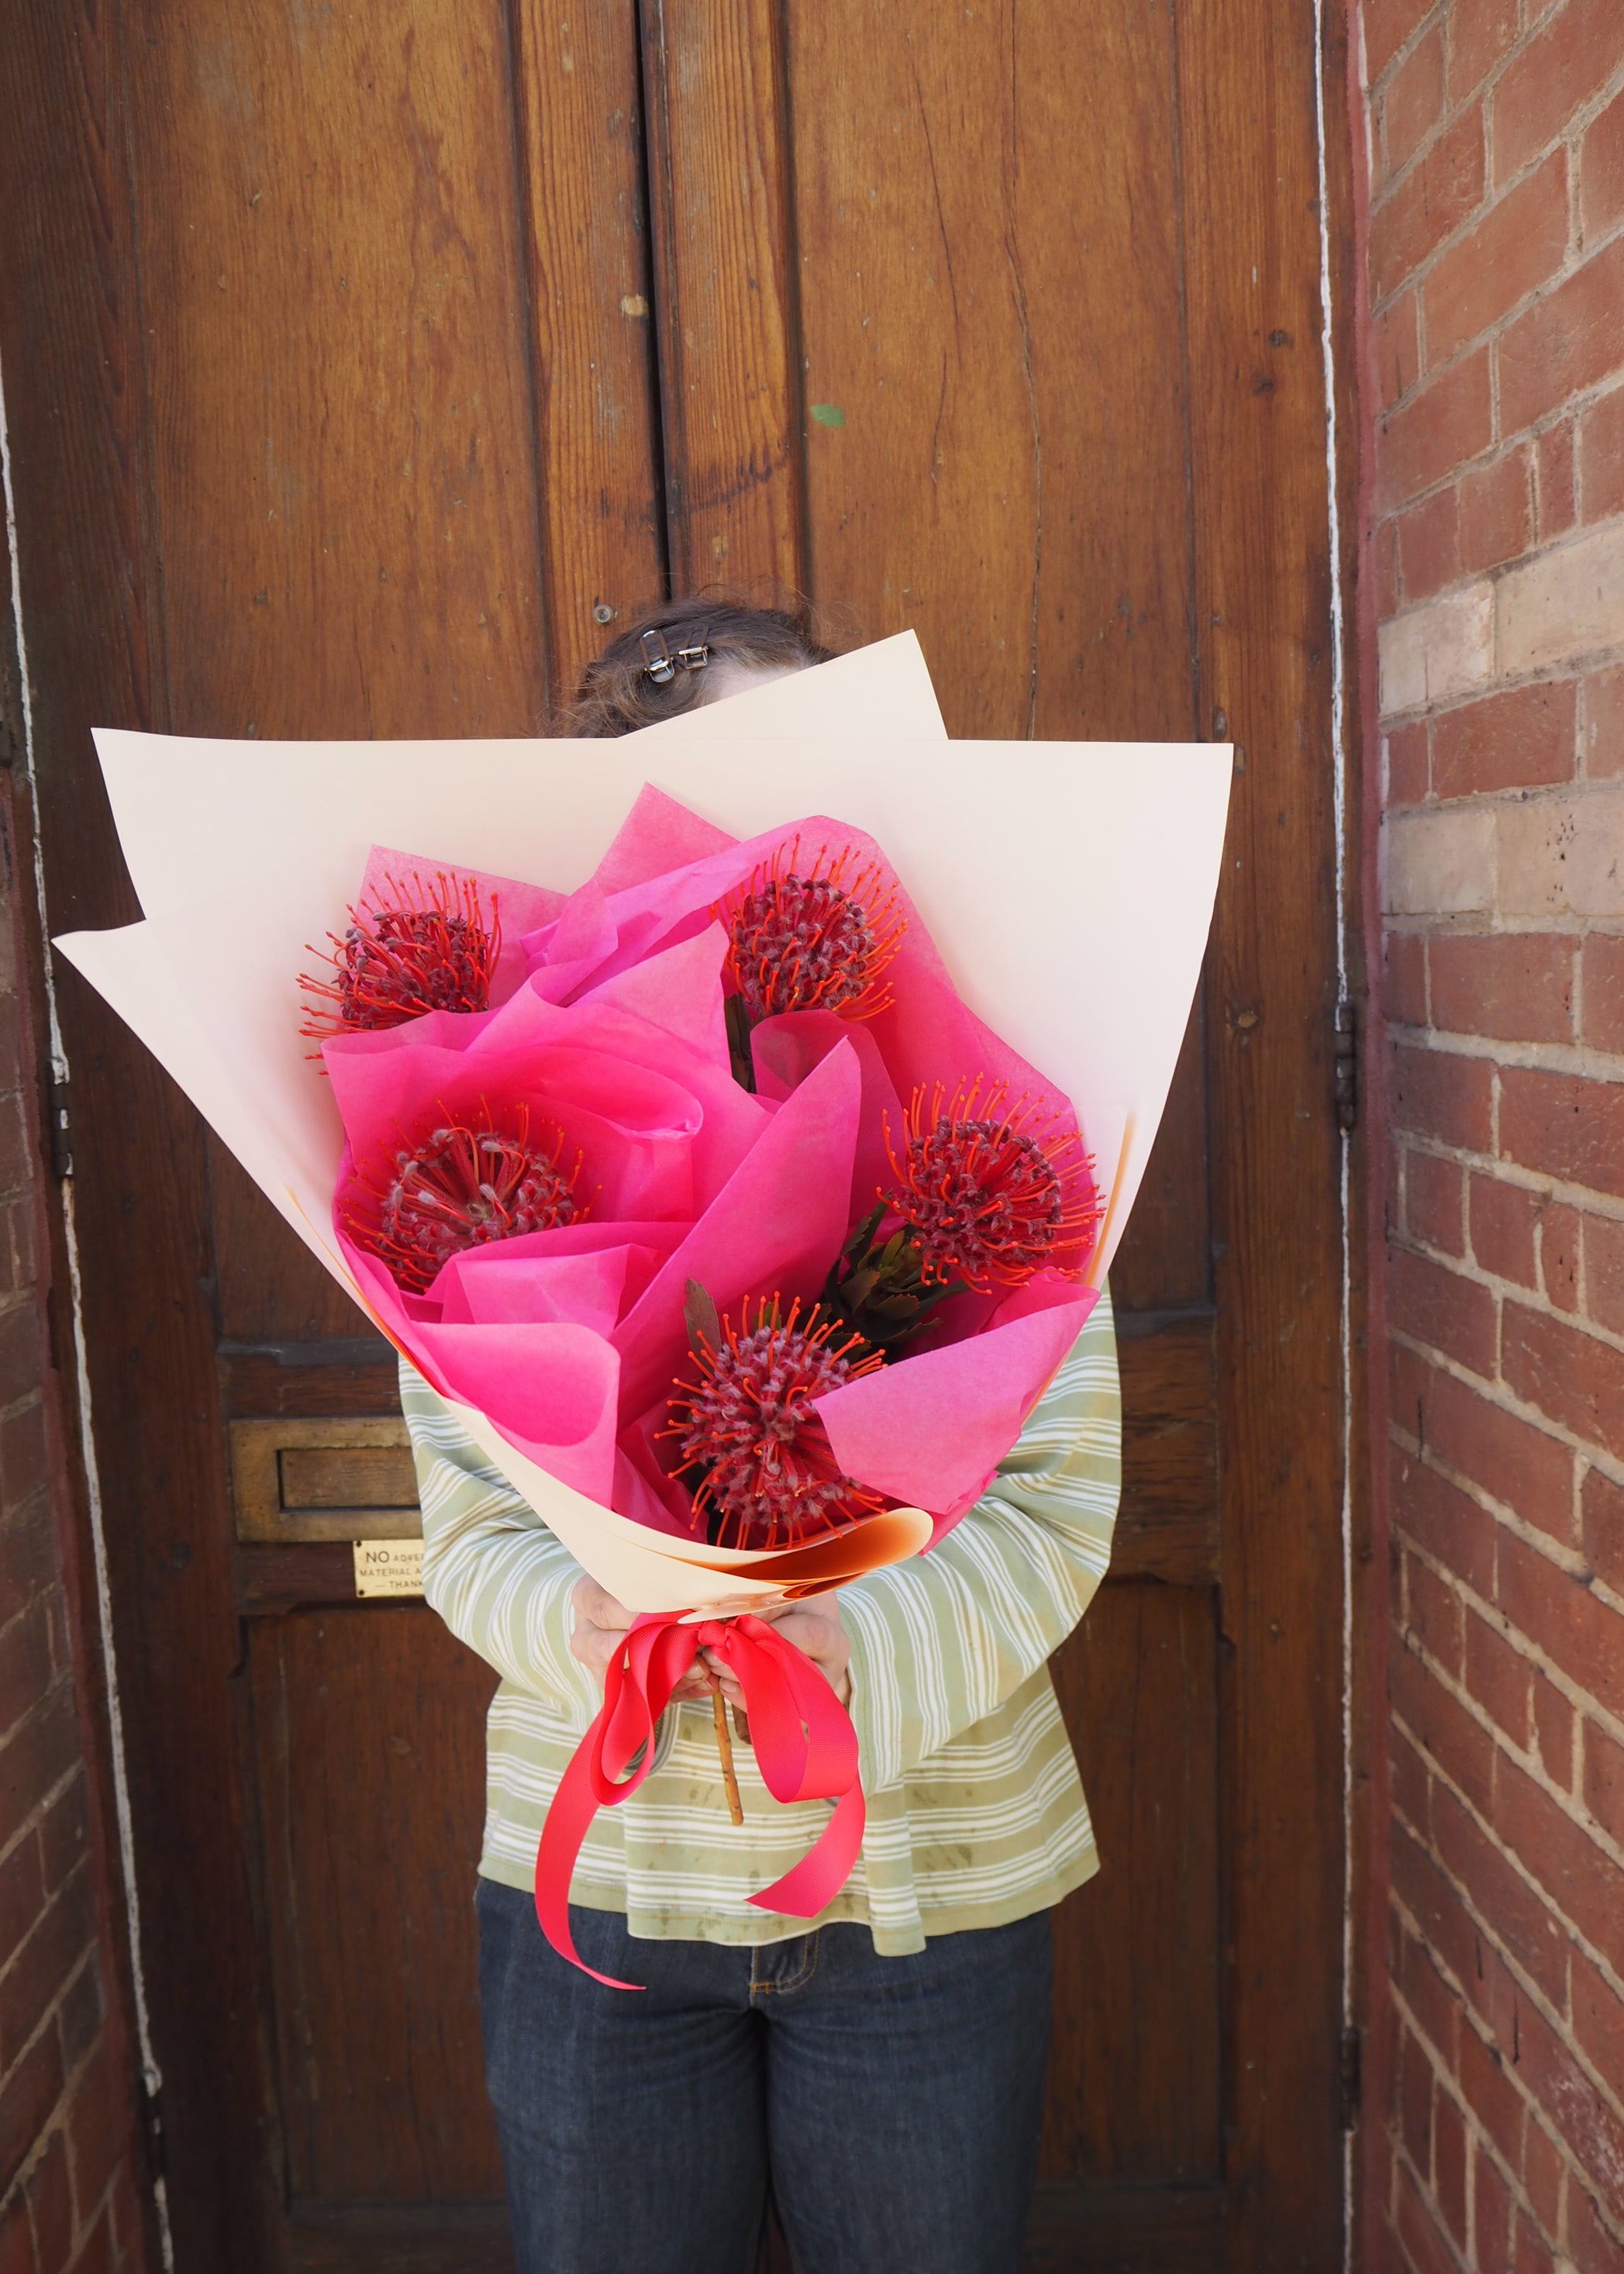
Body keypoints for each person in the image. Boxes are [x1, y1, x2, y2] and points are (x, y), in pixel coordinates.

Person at [404, 594, 1122, 2274]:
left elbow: (1051, 1509)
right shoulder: (485, 1140)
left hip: (933, 1884)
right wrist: (581, 1622)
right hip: (601, 1877)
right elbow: (463, 1516)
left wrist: (831, 1649)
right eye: (713, 775)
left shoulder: (996, 1116)